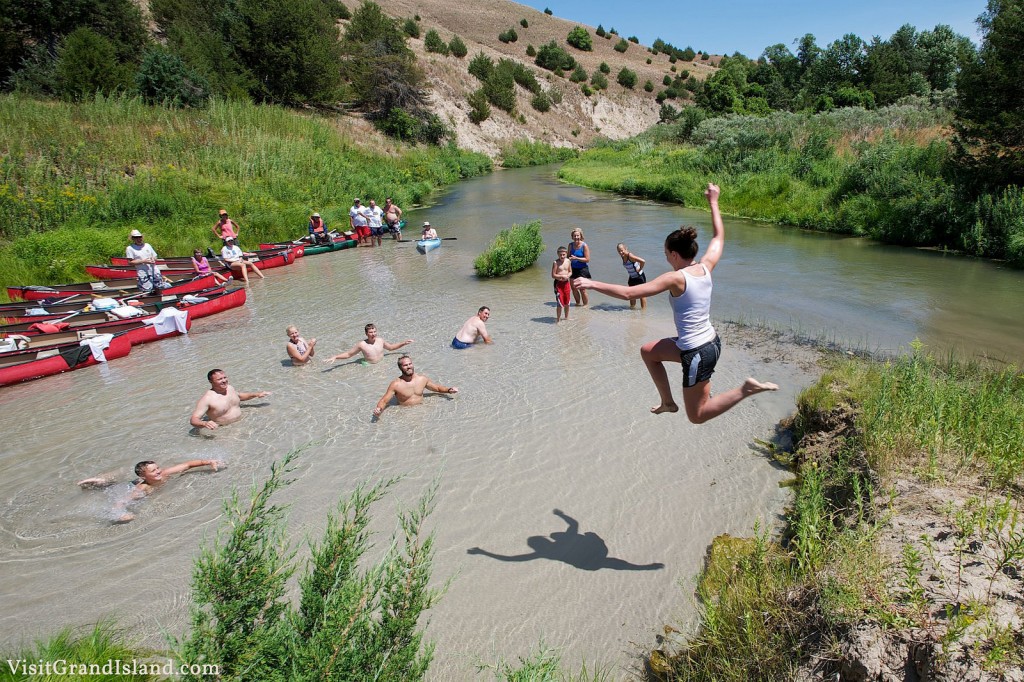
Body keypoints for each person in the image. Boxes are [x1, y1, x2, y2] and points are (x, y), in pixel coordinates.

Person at [573, 183, 778, 424]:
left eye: (665, 253)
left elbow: (631, 294)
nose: (665, 256)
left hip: (697, 351)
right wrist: (714, 202)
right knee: (648, 352)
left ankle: (745, 390)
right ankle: (668, 402)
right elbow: (719, 237)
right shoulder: (705, 266)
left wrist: (593, 284)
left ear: (674, 254)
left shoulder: (675, 278)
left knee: (697, 416)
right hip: (705, 341)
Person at [78, 459, 222, 523]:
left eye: (157, 468)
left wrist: (208, 462)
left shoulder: (165, 473)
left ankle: (102, 482)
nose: (158, 471)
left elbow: (188, 465)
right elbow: (121, 502)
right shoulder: (142, 489)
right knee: (113, 487)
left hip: (138, 481)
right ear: (143, 476)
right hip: (131, 485)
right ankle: (99, 483)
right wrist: (121, 515)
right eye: (153, 471)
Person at [372, 355, 457, 419]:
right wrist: (379, 410)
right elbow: (384, 400)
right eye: (405, 365)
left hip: (423, 411)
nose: (409, 366)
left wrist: (449, 390)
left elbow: (437, 388)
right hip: (405, 414)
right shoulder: (396, 384)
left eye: (410, 364)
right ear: (400, 367)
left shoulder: (422, 379)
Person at [190, 369, 271, 430]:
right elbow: (194, 419)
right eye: (219, 379)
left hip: (243, 423)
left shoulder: (230, 388)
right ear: (211, 381)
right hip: (224, 430)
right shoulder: (207, 399)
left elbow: (239, 396)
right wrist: (205, 423)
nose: (224, 381)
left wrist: (256, 394)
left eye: (225, 377)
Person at [324, 323, 413, 364]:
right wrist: (336, 356)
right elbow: (348, 354)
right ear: (366, 334)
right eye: (370, 332)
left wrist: (403, 343)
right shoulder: (362, 345)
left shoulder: (380, 340)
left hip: (381, 363)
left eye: (374, 331)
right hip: (368, 365)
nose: (373, 334)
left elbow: (391, 348)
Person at [617, 242, 647, 310]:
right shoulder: (623, 257)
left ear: (625, 249)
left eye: (622, 250)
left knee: (642, 295)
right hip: (632, 278)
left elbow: (643, 261)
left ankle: (643, 314)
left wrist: (639, 269)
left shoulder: (630, 256)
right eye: (619, 251)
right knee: (631, 295)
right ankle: (632, 311)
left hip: (639, 277)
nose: (621, 252)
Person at [567, 228, 591, 307]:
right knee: (573, 288)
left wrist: (576, 258)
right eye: (574, 236)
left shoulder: (584, 245)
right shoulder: (570, 245)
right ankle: (577, 304)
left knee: (582, 289)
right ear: (572, 237)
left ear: (581, 236)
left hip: (582, 270)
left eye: (577, 235)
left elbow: (587, 259)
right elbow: (567, 257)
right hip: (572, 269)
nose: (576, 237)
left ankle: (585, 305)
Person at [551, 246, 572, 322]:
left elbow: (570, 271)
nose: (562, 256)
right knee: (559, 302)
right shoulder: (556, 263)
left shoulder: (568, 261)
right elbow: (553, 275)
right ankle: (558, 319)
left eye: (563, 254)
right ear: (557, 254)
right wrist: (561, 276)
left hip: (566, 283)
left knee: (567, 301)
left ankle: (567, 317)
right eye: (560, 255)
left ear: (566, 254)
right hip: (558, 284)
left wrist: (567, 276)